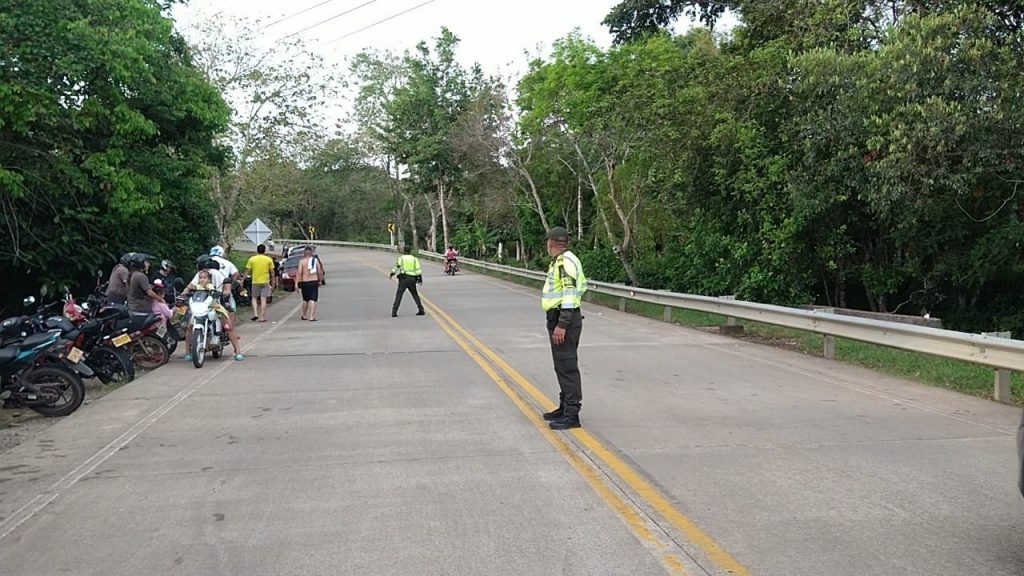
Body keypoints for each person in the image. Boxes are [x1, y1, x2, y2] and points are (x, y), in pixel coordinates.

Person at [540, 226, 587, 430]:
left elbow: (569, 293)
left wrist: (562, 324)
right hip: (560, 318)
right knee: (561, 365)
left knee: (567, 366)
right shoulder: (563, 260)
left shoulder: (565, 262)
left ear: (551, 243)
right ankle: (564, 405)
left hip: (564, 319)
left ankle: (572, 414)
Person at [181, 260, 244, 361]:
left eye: (204, 277)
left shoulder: (216, 274)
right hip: (200, 305)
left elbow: (226, 285)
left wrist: (226, 293)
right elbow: (190, 287)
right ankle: (188, 352)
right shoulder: (199, 276)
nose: (202, 279)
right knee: (190, 326)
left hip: (215, 304)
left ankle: (237, 351)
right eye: (201, 277)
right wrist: (183, 294)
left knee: (227, 325)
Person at [390, 245, 425, 317]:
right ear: (410, 251)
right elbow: (418, 270)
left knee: (399, 295)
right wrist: (420, 279)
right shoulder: (414, 259)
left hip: (403, 279)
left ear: (404, 251)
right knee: (415, 294)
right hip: (412, 279)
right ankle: (421, 309)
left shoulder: (401, 258)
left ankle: (394, 311)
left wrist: (392, 273)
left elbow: (397, 267)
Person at [245, 244, 276, 323]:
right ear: (264, 250)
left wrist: (243, 279)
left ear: (257, 250)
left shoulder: (252, 259)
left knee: (254, 298)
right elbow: (272, 272)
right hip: (265, 281)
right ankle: (262, 317)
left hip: (255, 281)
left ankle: (255, 313)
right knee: (263, 299)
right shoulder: (268, 259)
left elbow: (248, 270)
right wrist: (273, 282)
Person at [296, 246, 324, 321]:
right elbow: (319, 272)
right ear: (311, 253)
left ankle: (304, 315)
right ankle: (312, 316)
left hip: (304, 282)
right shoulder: (315, 261)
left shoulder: (302, 262)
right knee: (313, 299)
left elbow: (299, 273)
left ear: (304, 253)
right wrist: (320, 280)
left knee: (305, 299)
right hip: (313, 281)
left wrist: (296, 283)